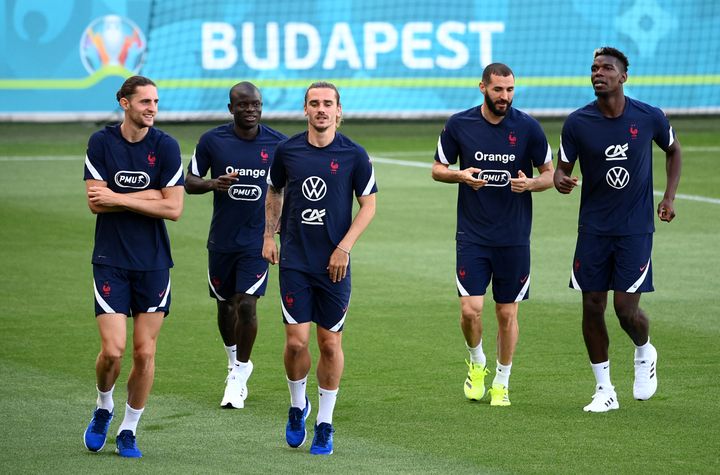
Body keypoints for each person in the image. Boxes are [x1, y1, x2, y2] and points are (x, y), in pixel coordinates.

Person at [554, 46, 682, 413]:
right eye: (594, 68)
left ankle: (644, 351)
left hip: (634, 230)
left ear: (623, 76)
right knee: (592, 306)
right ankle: (604, 389)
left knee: (626, 310)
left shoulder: (649, 117)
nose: (598, 73)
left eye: (607, 68)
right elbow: (562, 167)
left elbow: (673, 151)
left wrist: (669, 198)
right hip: (592, 230)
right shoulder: (577, 122)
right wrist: (561, 179)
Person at [262, 82, 377, 455]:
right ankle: (298, 407)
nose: (322, 109)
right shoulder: (287, 150)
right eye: (315, 104)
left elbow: (369, 205)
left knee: (330, 343)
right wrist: (269, 234)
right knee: (296, 343)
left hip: (334, 266)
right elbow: (275, 190)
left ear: (339, 111)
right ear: (305, 110)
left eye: (328, 104)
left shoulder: (354, 155)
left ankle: (324, 423)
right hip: (295, 261)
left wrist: (344, 247)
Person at [432, 63, 554, 407]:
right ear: (482, 87)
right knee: (471, 311)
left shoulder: (528, 127)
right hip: (472, 234)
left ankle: (502, 380)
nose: (505, 97)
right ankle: (476, 361)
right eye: (499, 90)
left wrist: (529, 183)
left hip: (514, 236)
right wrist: (460, 176)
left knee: (506, 314)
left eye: (510, 90)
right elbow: (438, 169)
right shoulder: (459, 124)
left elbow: (550, 174)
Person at [82, 75, 185, 457]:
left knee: (144, 353)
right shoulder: (101, 142)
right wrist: (150, 194)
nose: (152, 109)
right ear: (124, 103)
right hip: (110, 261)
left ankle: (129, 428)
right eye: (145, 102)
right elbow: (95, 202)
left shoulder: (167, 147)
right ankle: (104, 406)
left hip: (154, 264)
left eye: (156, 102)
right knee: (113, 351)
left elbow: (173, 208)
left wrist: (119, 196)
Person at [185, 82, 287, 409]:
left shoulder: (277, 144)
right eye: (242, 105)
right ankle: (233, 360)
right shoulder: (212, 141)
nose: (250, 110)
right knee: (225, 306)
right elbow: (188, 181)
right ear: (231, 108)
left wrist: (279, 226)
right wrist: (213, 184)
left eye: (255, 104)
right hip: (222, 240)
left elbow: (290, 186)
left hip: (257, 241)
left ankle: (239, 373)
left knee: (247, 304)